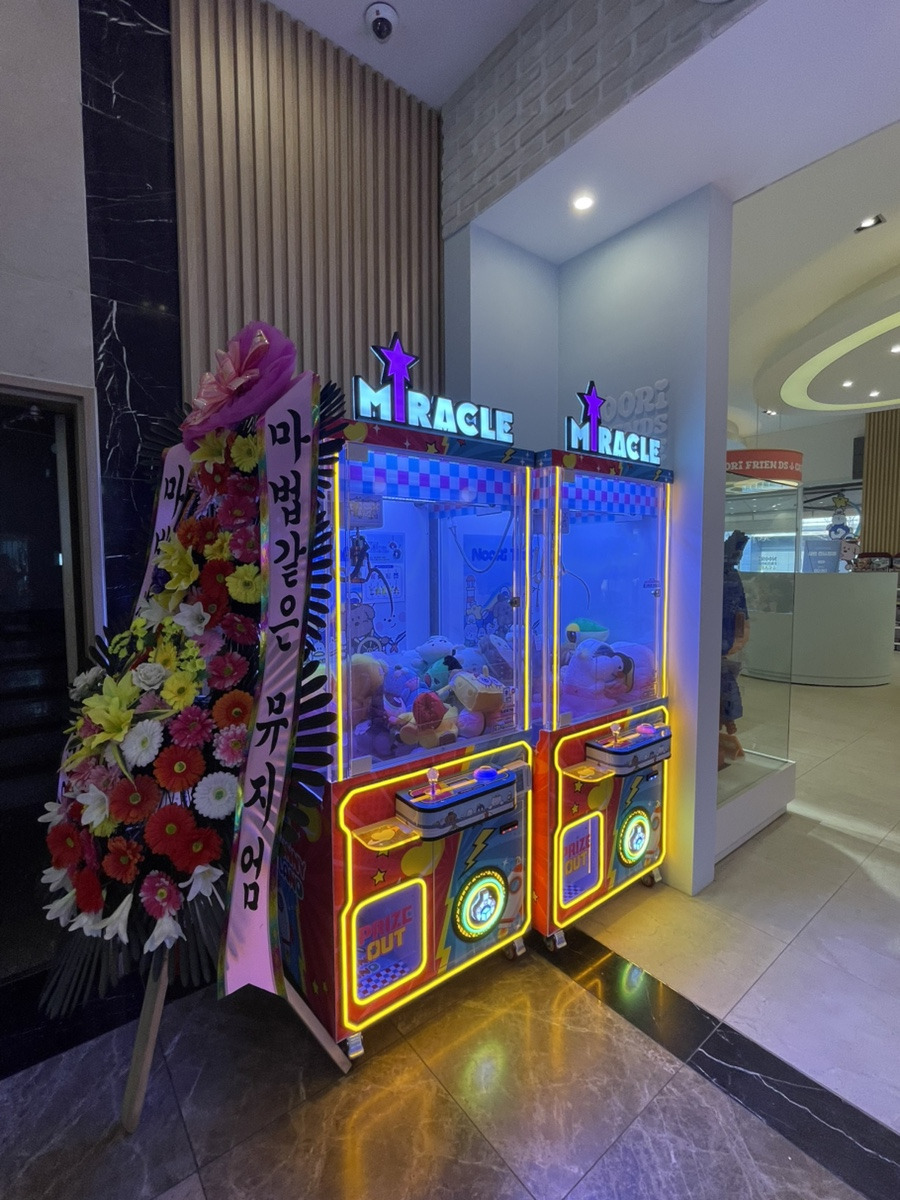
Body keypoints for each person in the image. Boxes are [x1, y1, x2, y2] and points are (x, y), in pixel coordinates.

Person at [720, 530, 749, 769]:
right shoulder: (724, 573)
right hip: (719, 637)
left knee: (723, 684)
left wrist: (740, 633)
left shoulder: (729, 574)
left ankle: (725, 725)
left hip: (723, 638)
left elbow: (741, 609)